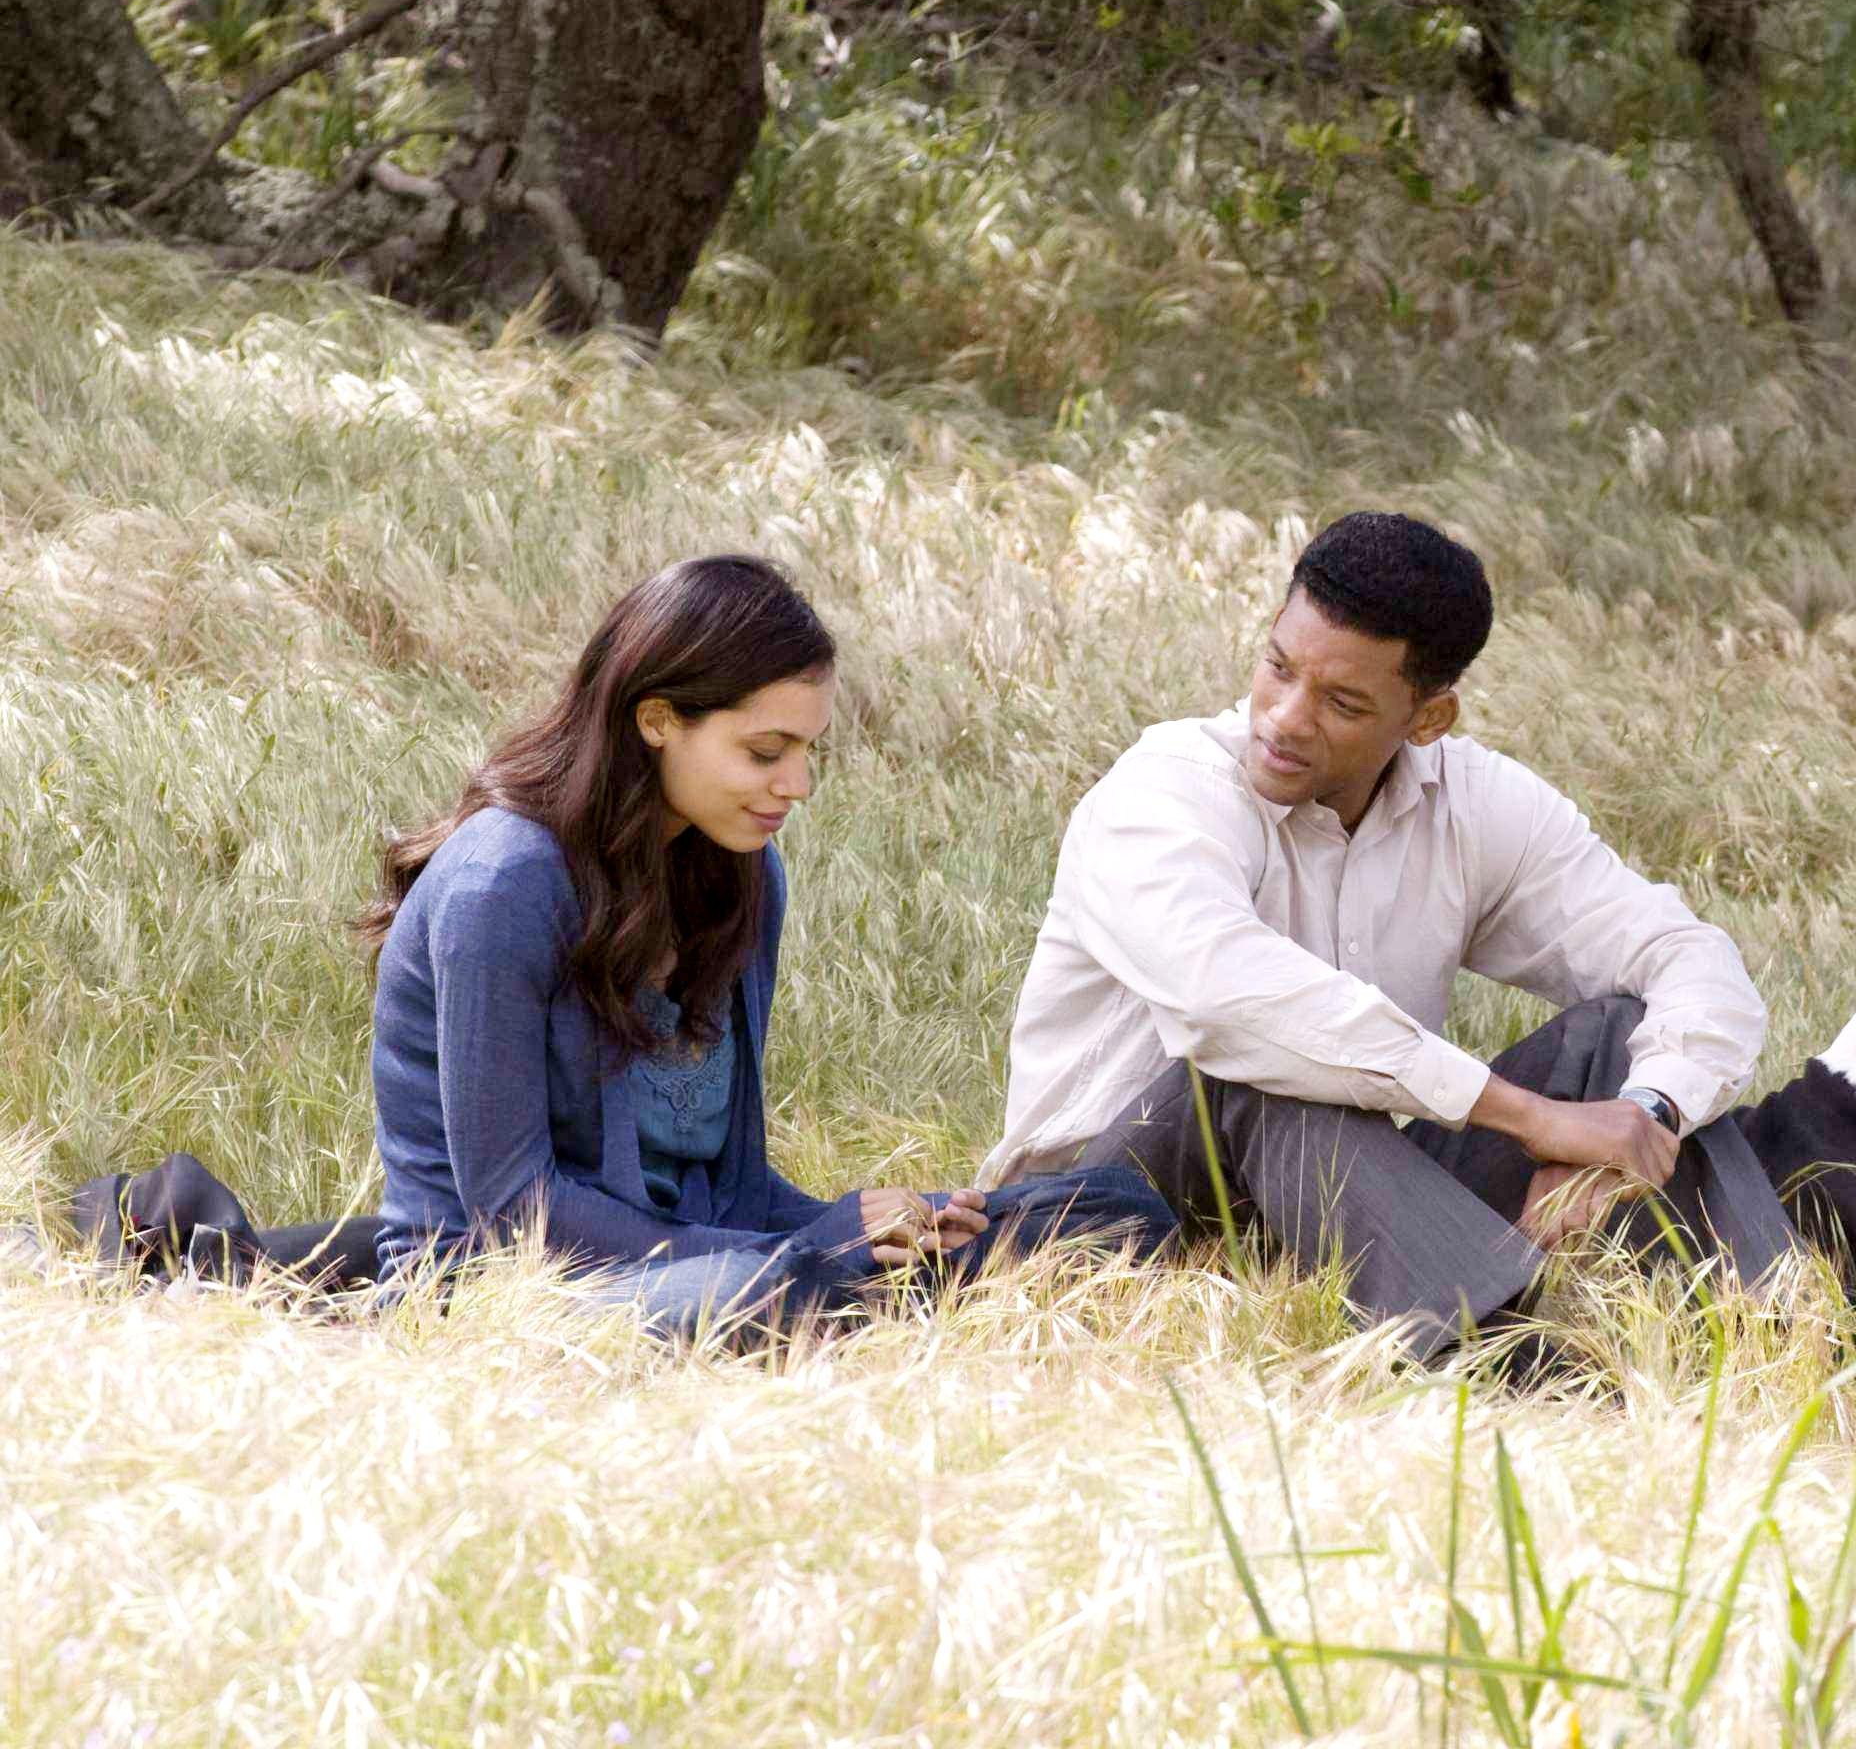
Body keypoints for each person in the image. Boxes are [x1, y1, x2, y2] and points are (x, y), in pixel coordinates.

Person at [81, 554, 1171, 1336]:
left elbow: (730, 1180)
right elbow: (515, 1213)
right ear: (658, 719)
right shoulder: (503, 882)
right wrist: (800, 1255)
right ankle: (848, 1302)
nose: (795, 784)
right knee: (777, 1296)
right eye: (764, 749)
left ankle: (875, 1290)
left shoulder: (744, 873)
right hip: (501, 1290)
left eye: (806, 751)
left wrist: (875, 1219)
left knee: (1114, 1208)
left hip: (708, 1260)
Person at [979, 512, 1794, 1364]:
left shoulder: (1475, 804)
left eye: (1341, 702)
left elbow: (1690, 958)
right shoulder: (1164, 791)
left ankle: (1774, 1344)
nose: (1285, 719)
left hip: (1339, 1206)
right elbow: (1230, 1002)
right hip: (1100, 1220)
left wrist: (1641, 1116)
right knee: (1260, 1070)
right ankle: (1508, 1374)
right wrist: (1530, 1120)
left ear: (1428, 718)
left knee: (1620, 1034)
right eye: (1277, 667)